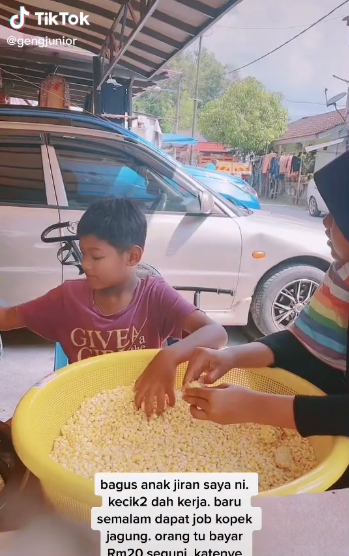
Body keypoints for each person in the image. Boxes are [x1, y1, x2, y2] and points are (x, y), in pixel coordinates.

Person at [0, 198, 227, 415]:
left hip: (142, 400)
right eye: (84, 253)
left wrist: (168, 357)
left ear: (132, 256)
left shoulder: (154, 295)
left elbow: (216, 333)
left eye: (96, 257)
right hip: (84, 406)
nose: (85, 264)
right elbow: (7, 318)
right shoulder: (67, 298)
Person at [183, 149, 349, 443]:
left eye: (337, 216)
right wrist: (231, 356)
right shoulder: (341, 274)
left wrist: (252, 406)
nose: (326, 223)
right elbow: (302, 344)